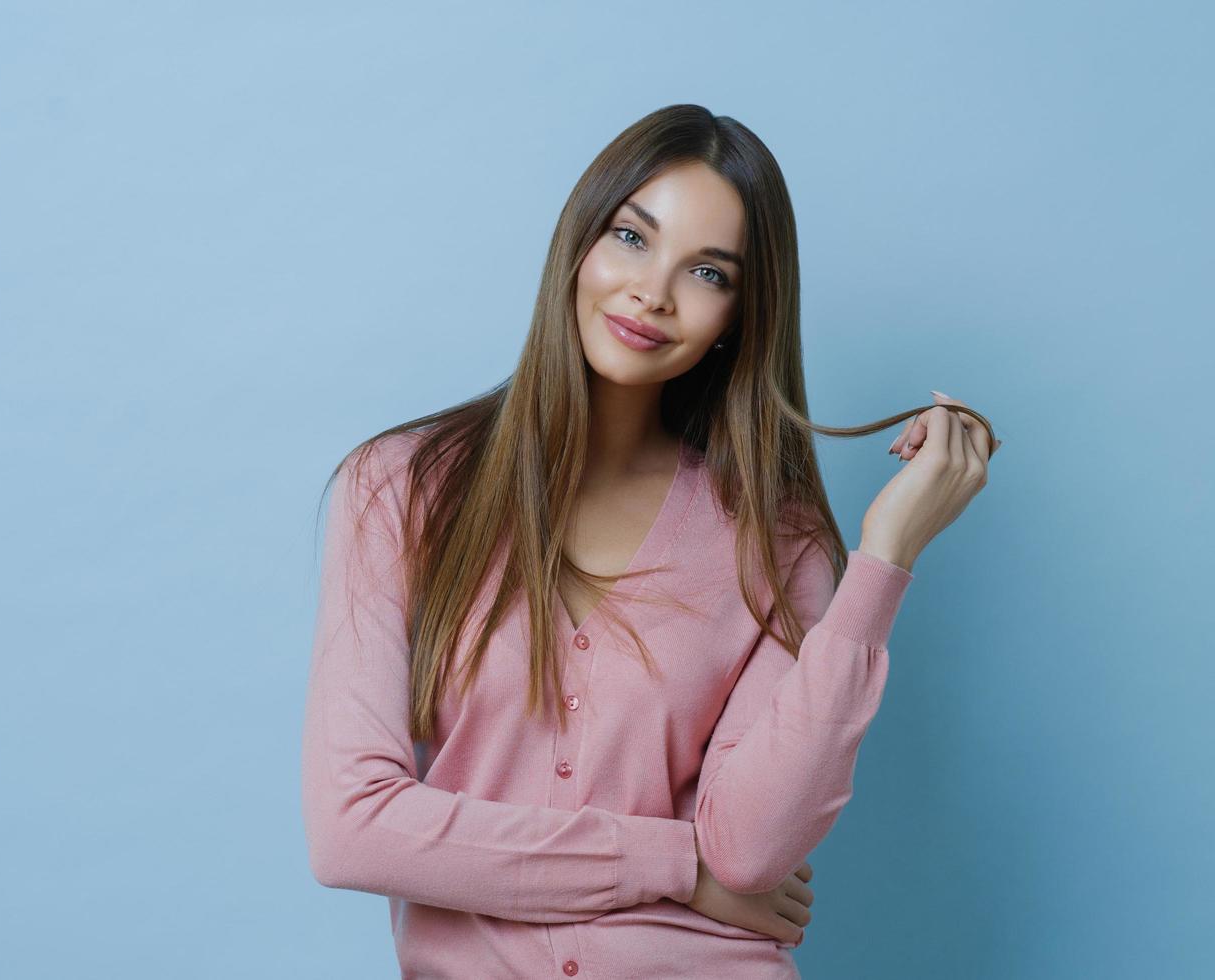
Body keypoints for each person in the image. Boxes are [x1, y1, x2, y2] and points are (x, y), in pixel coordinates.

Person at [301, 104, 999, 979]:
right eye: (632, 238)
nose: (653, 292)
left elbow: (747, 854)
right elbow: (352, 828)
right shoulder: (401, 488)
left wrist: (885, 560)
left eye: (707, 271)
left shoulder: (776, 539)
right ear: (580, 242)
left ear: (741, 317)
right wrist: (675, 865)